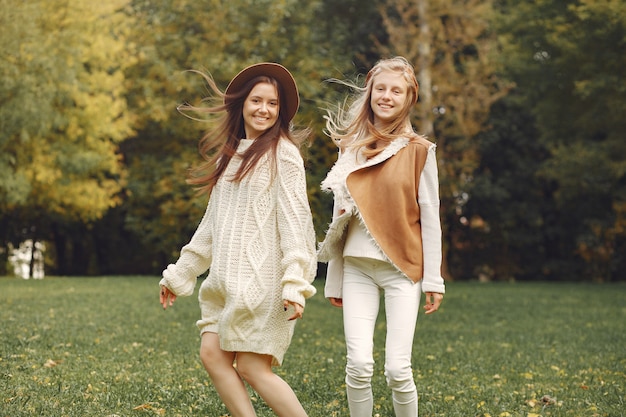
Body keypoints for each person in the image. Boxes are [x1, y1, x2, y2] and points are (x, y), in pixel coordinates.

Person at [159, 62, 317, 417]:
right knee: (212, 354)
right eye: (257, 100)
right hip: (227, 283)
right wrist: (180, 274)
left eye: (272, 104)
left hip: (265, 285)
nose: (264, 109)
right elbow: (211, 229)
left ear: (280, 111)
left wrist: (294, 282)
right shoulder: (228, 157)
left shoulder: (284, 155)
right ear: (242, 104)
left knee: (251, 367)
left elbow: (296, 226)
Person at [317, 56, 445, 417]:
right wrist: (335, 281)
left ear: (409, 99)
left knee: (397, 369)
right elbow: (339, 219)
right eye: (381, 88)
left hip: (402, 271)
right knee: (357, 365)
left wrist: (434, 279)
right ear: (370, 92)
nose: (386, 96)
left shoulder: (420, 150)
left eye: (396, 90)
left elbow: (431, 218)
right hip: (357, 269)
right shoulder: (350, 147)